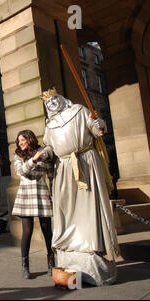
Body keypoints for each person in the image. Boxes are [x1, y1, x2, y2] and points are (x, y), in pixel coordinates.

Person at [42, 88, 120, 286]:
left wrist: (98, 123)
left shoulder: (79, 110)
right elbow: (50, 146)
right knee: (65, 207)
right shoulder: (50, 124)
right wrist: (46, 154)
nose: (51, 103)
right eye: (48, 102)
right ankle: (68, 242)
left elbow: (98, 132)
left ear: (61, 99)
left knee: (89, 205)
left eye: (54, 99)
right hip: (63, 167)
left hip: (84, 161)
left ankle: (92, 244)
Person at [11, 130, 55, 279]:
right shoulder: (18, 154)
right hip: (25, 194)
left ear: (30, 139)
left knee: (47, 231)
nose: (20, 143)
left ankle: (51, 263)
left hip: (42, 192)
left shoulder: (42, 151)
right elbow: (20, 171)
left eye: (22, 140)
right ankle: (25, 266)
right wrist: (33, 160)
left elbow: (50, 173)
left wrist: (53, 194)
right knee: (27, 232)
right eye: (19, 141)